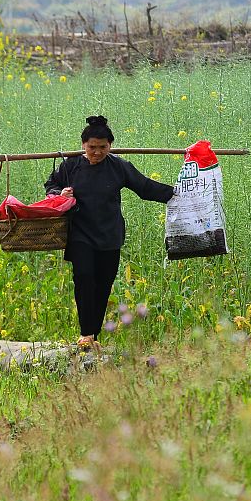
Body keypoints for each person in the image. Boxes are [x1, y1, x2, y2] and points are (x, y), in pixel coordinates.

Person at [45, 115, 174, 350]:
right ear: (83, 145)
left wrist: (176, 194)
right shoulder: (71, 165)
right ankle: (86, 333)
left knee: (103, 285)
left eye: (102, 147)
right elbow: (50, 186)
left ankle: (92, 335)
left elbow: (145, 188)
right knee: (84, 278)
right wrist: (59, 194)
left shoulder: (119, 166)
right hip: (80, 234)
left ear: (110, 146)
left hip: (110, 234)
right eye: (92, 147)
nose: (96, 152)